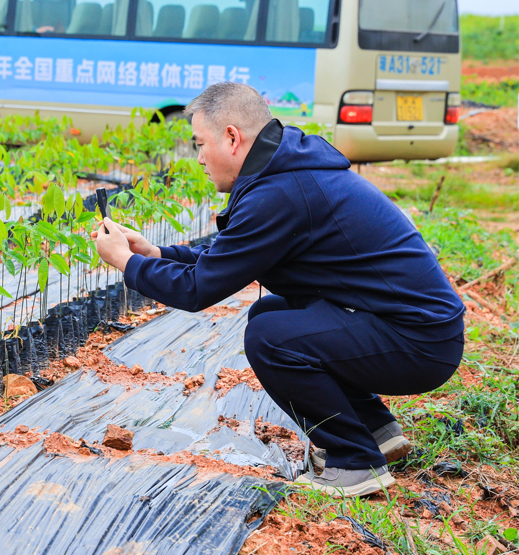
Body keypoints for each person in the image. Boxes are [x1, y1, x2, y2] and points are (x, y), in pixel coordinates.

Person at [91, 82, 465, 497]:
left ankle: (355, 462)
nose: (198, 157)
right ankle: (376, 430)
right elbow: (228, 253)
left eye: (200, 144)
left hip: (419, 344)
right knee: (269, 314)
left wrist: (126, 262)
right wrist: (156, 252)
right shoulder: (282, 170)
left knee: (270, 338)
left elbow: (197, 291)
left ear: (232, 137)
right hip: (409, 328)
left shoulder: (281, 191)